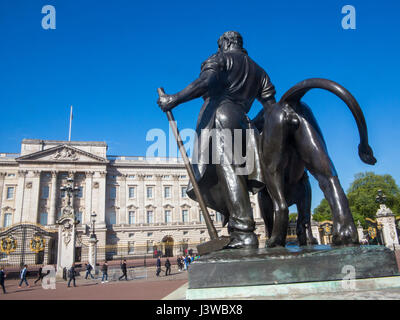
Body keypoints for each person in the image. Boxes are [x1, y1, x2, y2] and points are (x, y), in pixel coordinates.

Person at [157, 31, 275, 248]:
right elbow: (271, 107)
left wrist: (174, 99)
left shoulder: (220, 58)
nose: (219, 48)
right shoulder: (260, 71)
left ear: (227, 43)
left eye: (220, 45)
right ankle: (235, 226)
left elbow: (206, 81)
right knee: (231, 175)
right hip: (244, 122)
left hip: (220, 117)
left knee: (229, 171)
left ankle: (243, 232)